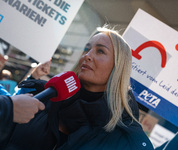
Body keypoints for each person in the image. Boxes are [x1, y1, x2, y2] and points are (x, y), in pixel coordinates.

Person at [3, 27, 154, 149]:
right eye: (87, 49)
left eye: (100, 51)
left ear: (118, 67)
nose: (87, 55)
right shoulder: (44, 93)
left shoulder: (126, 137)